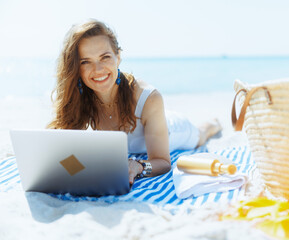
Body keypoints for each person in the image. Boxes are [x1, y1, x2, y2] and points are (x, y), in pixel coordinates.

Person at [48, 19, 222, 185]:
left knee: (200, 136)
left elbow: (163, 162)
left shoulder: (149, 97)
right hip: (152, 123)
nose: (98, 69)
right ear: (76, 67)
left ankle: (213, 124)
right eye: (86, 62)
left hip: (175, 129)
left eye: (105, 57)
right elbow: (62, 145)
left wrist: (138, 166)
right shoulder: (81, 97)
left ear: (118, 57)